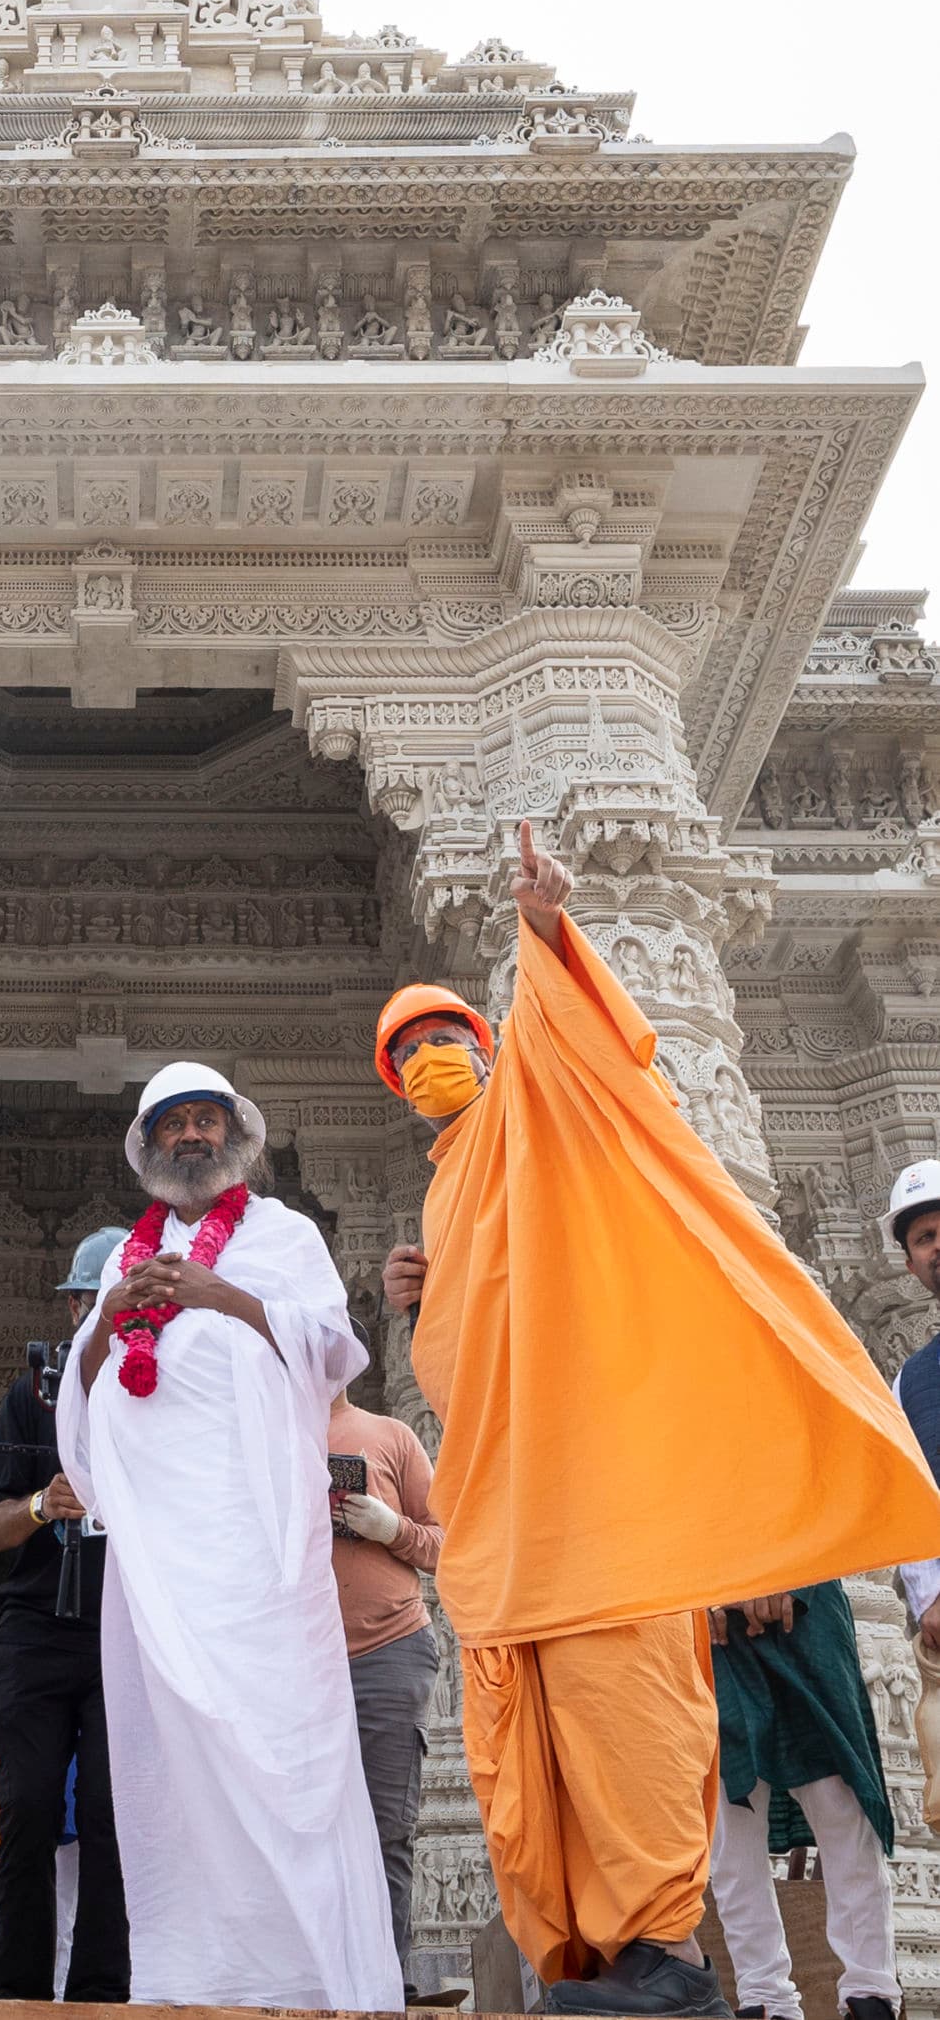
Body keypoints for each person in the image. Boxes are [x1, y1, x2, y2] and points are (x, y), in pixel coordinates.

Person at [378, 822, 940, 2017]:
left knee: (626, 1720)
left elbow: (566, 1039)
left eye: (446, 1036)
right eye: (408, 1050)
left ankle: (668, 1959)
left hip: (593, 1499)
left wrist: (540, 929)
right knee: (521, 1739)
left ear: (486, 1050)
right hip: (499, 1505)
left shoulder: (531, 1117)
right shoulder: (446, 1188)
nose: (430, 1055)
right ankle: (584, 1955)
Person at [57, 1062, 400, 2012]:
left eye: (207, 1121)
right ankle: (193, 1975)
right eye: (174, 1126)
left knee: (279, 1741)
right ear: (148, 1148)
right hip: (159, 1552)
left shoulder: (281, 1236)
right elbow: (79, 1408)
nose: (192, 1137)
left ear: (235, 1138)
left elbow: (335, 1353)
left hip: (255, 1536)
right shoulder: (124, 1256)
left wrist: (220, 1295)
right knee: (169, 1756)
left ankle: (304, 1977)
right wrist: (108, 1322)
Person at [0, 1228, 131, 2005]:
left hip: (125, 1630)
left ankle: (103, 1991)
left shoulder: (156, 1391)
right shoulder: (27, 1394)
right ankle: (17, 1989)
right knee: (27, 1804)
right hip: (38, 1627)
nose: (98, 1318)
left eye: (114, 1305)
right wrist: (45, 1504)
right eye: (88, 1303)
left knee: (113, 1813)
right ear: (74, 1307)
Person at [708, 1582, 897, 2020]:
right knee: (732, 1808)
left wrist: (787, 1574)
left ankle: (870, 1993)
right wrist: (710, 1589)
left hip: (808, 1599)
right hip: (709, 1608)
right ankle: (764, 1997)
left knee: (839, 1798)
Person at [327, 1356, 445, 1977]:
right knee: (302, 1825)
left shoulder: (391, 1435)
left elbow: (449, 1541)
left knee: (384, 1828)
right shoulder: (267, 1437)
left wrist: (390, 1526)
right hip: (297, 1663)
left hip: (387, 1651)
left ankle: (383, 1985)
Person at [887, 1157, 940, 1823]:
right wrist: (928, 1592)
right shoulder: (912, 1381)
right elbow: (907, 1494)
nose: (937, 1246)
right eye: (923, 1238)